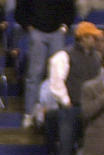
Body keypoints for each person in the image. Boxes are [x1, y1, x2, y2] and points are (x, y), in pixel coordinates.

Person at [48, 20, 104, 155]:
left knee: (89, 150)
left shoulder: (96, 57)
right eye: (92, 37)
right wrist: (66, 102)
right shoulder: (65, 55)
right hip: (71, 109)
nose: (95, 41)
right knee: (66, 151)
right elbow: (56, 81)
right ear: (82, 37)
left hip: (90, 109)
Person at [14, 0, 73, 128]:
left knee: (58, 74)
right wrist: (28, 25)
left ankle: (55, 114)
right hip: (37, 31)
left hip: (57, 31)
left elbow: (69, 6)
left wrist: (65, 26)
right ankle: (29, 114)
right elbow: (20, 8)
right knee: (34, 74)